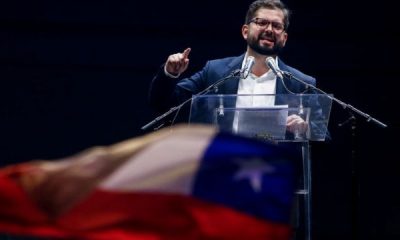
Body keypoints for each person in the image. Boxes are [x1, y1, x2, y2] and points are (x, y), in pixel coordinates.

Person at [148, 0, 315, 137]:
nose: (269, 29)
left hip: (274, 170)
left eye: (277, 26)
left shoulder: (301, 84)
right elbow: (164, 104)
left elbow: (323, 134)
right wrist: (170, 73)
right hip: (222, 168)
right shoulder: (215, 72)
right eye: (262, 22)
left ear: (284, 38)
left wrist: (306, 128)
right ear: (245, 31)